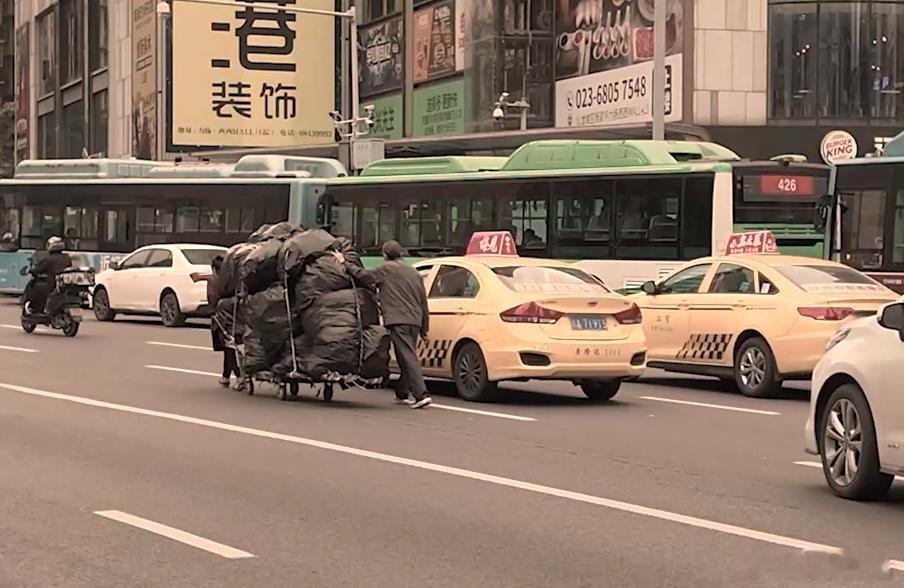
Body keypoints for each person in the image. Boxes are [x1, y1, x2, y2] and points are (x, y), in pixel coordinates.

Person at [335, 240, 432, 409]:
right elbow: (423, 302)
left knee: (408, 357)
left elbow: (363, 275)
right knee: (405, 356)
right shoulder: (414, 272)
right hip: (414, 320)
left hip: (398, 320)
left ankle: (421, 394)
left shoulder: (386, 269)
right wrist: (424, 327)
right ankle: (402, 393)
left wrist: (344, 262)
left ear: (385, 255)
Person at [208, 254, 240, 388]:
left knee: (229, 347)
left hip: (223, 316)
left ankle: (239, 376)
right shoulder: (236, 279)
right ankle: (225, 376)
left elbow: (212, 299)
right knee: (229, 346)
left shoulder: (216, 282)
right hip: (238, 313)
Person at [25, 236, 72, 315]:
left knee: (35, 287)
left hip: (52, 284)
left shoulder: (49, 259)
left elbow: (39, 269)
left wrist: (31, 270)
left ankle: (36, 308)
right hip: (64, 284)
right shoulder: (67, 257)